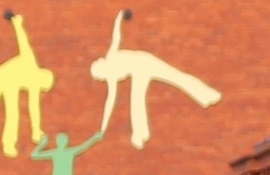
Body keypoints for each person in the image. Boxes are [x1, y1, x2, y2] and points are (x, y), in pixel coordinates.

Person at [90, 11, 220, 150]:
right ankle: (140, 134)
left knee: (173, 77)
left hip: (144, 62)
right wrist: (103, 127)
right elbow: (110, 101)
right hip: (139, 70)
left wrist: (119, 17)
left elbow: (116, 36)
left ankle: (208, 95)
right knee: (141, 96)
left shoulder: (111, 62)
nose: (101, 79)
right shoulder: (111, 74)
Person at [0, 13, 54, 157]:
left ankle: (8, 144)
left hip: (11, 84)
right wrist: (17, 24)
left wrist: (36, 130)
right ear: (40, 76)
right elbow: (23, 43)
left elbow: (34, 108)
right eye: (41, 86)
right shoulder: (30, 62)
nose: (38, 89)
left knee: (13, 113)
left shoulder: (34, 86)